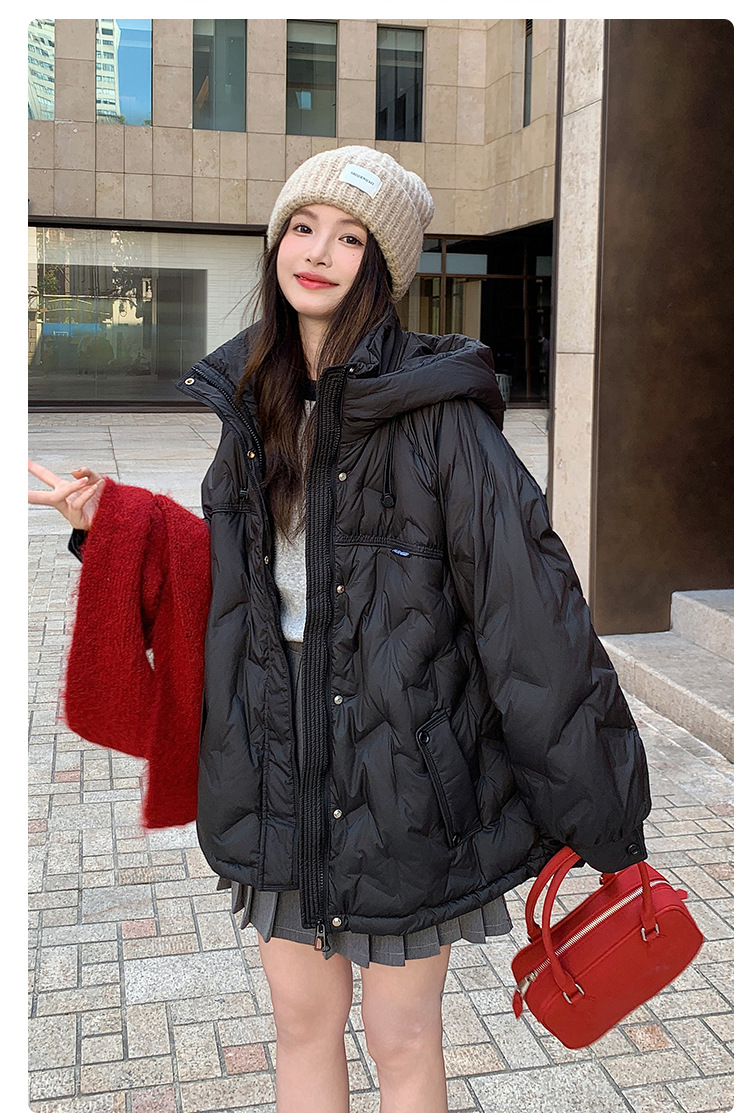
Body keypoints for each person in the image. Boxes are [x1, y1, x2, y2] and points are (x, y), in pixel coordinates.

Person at [29, 146, 651, 1113]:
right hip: (276, 773)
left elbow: (533, 620)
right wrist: (112, 525)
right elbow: (232, 581)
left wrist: (603, 811)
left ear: (382, 266)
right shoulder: (253, 405)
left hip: (405, 785)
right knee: (301, 1027)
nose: (318, 251)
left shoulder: (444, 421)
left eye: (351, 237)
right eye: (304, 226)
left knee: (402, 1039)